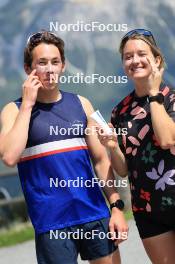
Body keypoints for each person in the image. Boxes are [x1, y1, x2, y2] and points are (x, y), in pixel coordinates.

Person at [0, 31, 128, 264]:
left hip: (94, 214)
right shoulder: (13, 111)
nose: (49, 69)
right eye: (42, 63)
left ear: (63, 65)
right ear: (28, 69)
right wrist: (28, 104)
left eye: (55, 62)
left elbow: (101, 160)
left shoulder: (82, 104)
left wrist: (117, 206)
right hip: (52, 223)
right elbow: (9, 157)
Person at [97, 28, 175, 264]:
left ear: (157, 59)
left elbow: (167, 140)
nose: (135, 60)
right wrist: (112, 146)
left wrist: (153, 93)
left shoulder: (171, 97)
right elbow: (122, 169)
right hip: (147, 210)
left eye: (141, 54)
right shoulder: (120, 110)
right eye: (128, 57)